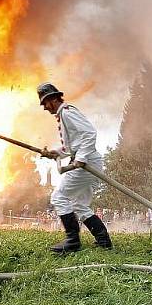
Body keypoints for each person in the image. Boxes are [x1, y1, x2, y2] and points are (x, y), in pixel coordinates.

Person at [38, 82, 112, 252]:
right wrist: (54, 153)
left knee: (58, 196)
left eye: (45, 103)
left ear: (53, 99)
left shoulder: (67, 112)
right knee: (79, 205)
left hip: (87, 163)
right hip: (90, 161)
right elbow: (70, 148)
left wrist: (81, 158)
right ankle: (104, 240)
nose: (44, 107)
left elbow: (89, 133)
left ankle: (72, 241)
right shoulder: (63, 115)